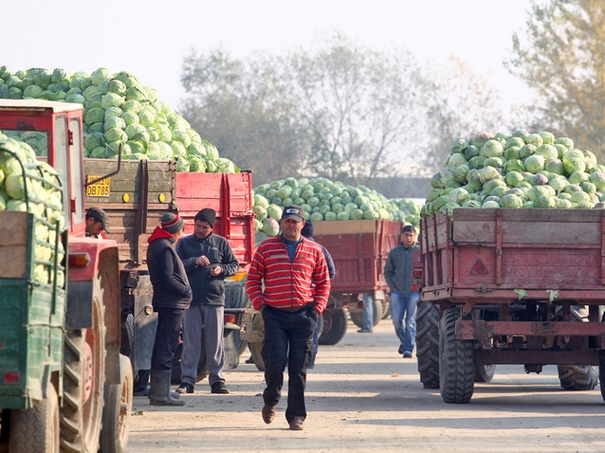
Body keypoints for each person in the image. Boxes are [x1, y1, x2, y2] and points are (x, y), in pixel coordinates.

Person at [246, 205, 331, 431]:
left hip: (304, 315)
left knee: (298, 368)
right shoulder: (266, 248)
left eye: (295, 221)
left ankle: (296, 416)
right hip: (274, 315)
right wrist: (262, 307)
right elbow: (253, 280)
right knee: (274, 364)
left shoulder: (314, 250)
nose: (291, 225)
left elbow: (324, 283)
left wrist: (316, 309)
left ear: (303, 224)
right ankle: (270, 400)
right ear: (281, 223)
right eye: (287, 221)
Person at [175, 208, 239, 395]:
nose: (200, 230)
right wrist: (194, 261)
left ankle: (217, 380)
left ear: (212, 228)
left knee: (215, 341)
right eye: (197, 225)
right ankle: (187, 381)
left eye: (204, 227)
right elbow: (177, 266)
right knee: (190, 341)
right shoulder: (184, 243)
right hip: (191, 299)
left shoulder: (221, 243)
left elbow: (234, 265)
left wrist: (221, 269)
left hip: (214, 299)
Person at [146, 212, 192, 406]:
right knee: (167, 345)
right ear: (175, 230)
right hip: (171, 302)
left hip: (169, 302)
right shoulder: (164, 247)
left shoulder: (160, 244)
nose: (181, 233)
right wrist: (186, 290)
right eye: (180, 229)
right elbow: (167, 278)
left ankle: (160, 391)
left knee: (164, 344)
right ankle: (160, 395)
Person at [300, 220, 336, 367]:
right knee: (311, 329)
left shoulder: (300, 248)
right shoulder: (321, 249)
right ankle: (310, 359)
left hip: (300, 296)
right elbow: (331, 273)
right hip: (315, 297)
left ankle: (297, 359)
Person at [383, 224, 420, 359]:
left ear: (414, 236)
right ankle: (405, 342)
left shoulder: (419, 251)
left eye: (411, 235)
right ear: (402, 236)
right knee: (397, 320)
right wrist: (393, 286)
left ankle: (408, 349)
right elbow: (388, 272)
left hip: (414, 291)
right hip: (398, 291)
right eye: (406, 235)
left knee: (411, 321)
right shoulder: (395, 252)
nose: (408, 238)